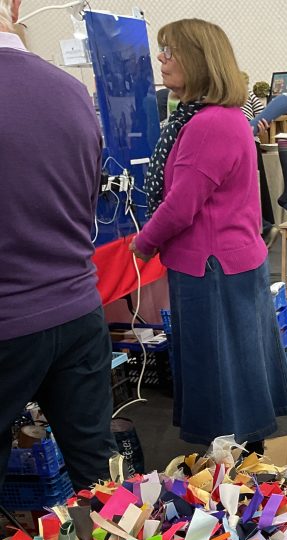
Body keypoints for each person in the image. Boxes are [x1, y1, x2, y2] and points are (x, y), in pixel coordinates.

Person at [131, 19, 287, 449]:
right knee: (234, 379)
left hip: (213, 269)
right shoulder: (216, 118)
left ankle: (237, 488)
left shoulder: (208, 124)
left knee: (225, 387)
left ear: (199, 60)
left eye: (170, 51)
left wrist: (142, 244)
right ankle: (242, 483)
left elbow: (181, 205)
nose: (162, 59)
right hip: (223, 262)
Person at [0, 0, 118, 493]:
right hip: (77, 310)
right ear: (16, 8)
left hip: (9, 320)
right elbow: (86, 196)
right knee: (100, 472)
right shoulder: (71, 92)